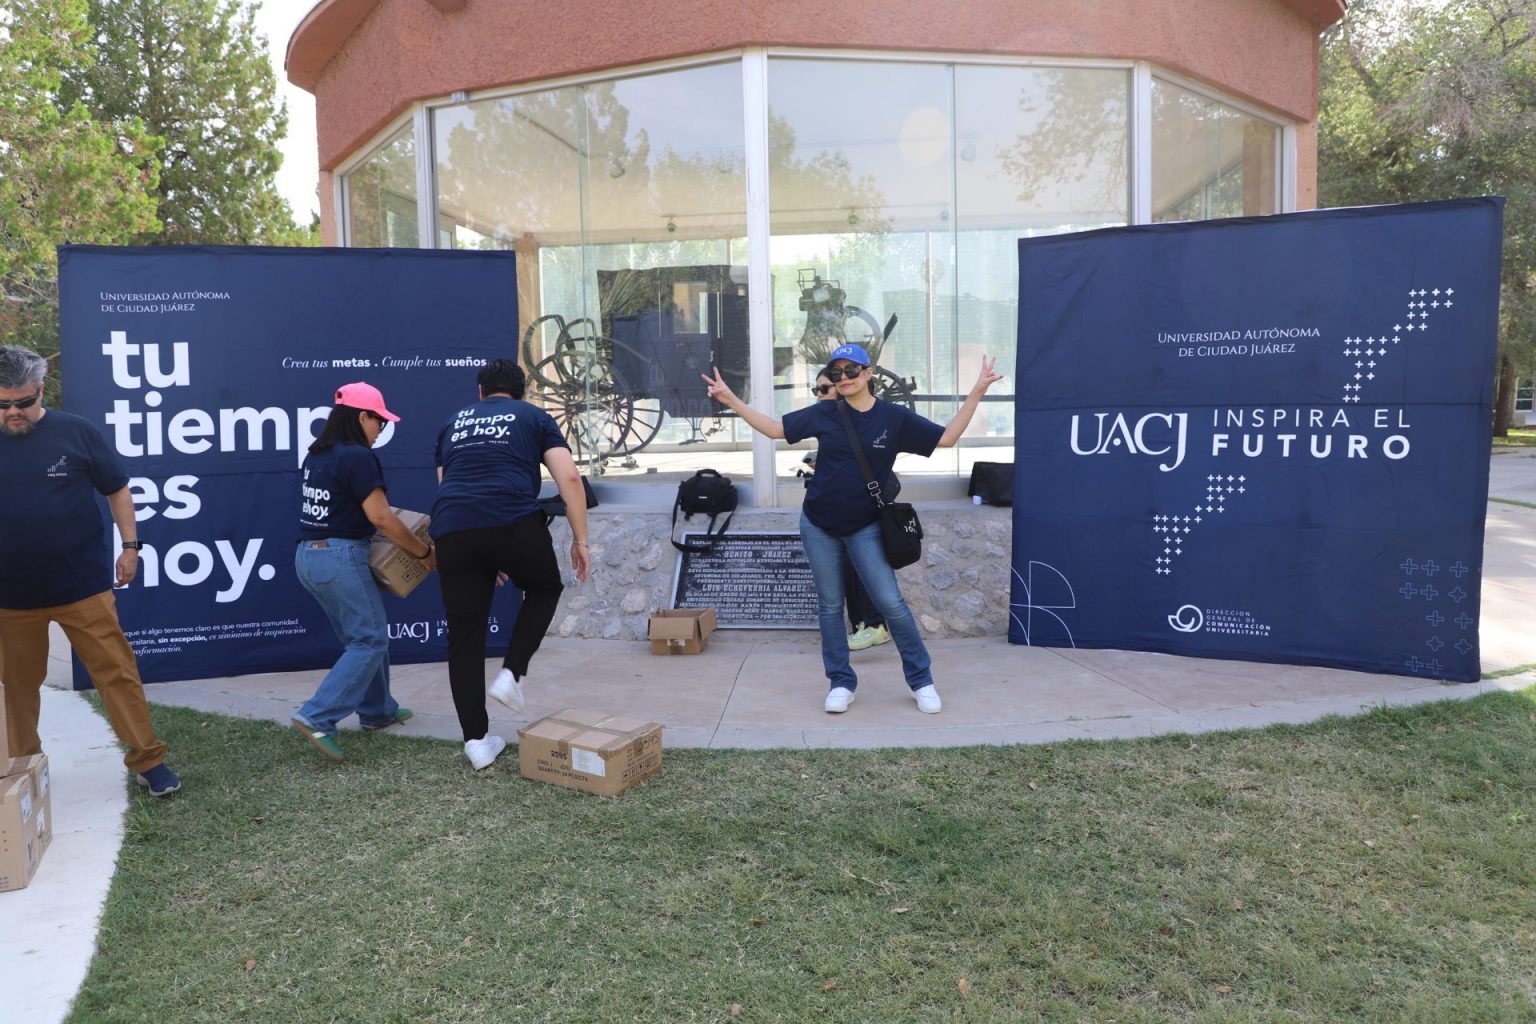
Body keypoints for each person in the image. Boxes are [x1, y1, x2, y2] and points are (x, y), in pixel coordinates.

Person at [703, 342, 1002, 714]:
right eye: (837, 372)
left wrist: (977, 391)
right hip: (818, 523)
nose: (843, 378)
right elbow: (776, 429)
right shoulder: (825, 412)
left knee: (891, 603)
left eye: (851, 370)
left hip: (865, 525)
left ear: (868, 373)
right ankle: (841, 682)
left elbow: (947, 438)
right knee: (830, 606)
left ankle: (921, 679)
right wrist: (731, 400)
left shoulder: (893, 418)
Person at [0, 345, 182, 795]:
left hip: (82, 585)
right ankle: (24, 769)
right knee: (16, 687)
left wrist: (131, 546)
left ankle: (149, 760)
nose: (14, 412)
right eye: (3, 404)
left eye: (24, 402)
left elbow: (117, 488)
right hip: (10, 597)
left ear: (41, 389)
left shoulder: (77, 432)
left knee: (116, 672)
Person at [432, 359, 591, 770]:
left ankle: (476, 742)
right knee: (545, 587)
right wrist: (581, 540)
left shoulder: (452, 424)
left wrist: (485, 552)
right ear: (521, 392)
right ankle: (511, 673)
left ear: (480, 392)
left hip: (452, 528)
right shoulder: (534, 417)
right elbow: (570, 479)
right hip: (511, 520)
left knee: (464, 637)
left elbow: (447, 484)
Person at [291, 382, 435, 761]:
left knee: (364, 638)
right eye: (379, 422)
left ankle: (377, 711)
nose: (380, 431)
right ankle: (317, 715)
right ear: (361, 417)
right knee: (369, 641)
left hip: (309, 557)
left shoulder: (317, 455)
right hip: (339, 557)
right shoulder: (358, 457)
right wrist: (423, 551)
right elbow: (381, 518)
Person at [811, 369, 890, 652]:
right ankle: (862, 625)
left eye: (824, 389)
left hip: (861, 510)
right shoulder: (832, 418)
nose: (819, 396)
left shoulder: (862, 417)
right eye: (816, 390)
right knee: (847, 570)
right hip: (839, 510)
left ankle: (874, 625)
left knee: (862, 568)